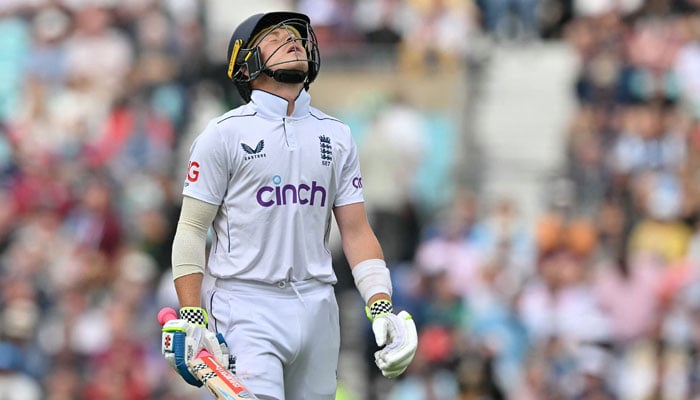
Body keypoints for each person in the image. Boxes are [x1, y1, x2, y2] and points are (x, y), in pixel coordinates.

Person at [160, 11, 418, 400]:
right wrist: (192, 314)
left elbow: (356, 229)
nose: (293, 40)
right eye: (276, 37)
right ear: (244, 61)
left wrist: (380, 304)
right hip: (246, 305)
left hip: (319, 306)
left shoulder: (337, 134)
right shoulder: (222, 135)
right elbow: (192, 230)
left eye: (296, 36)